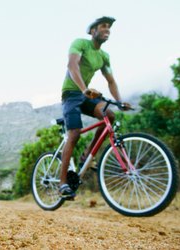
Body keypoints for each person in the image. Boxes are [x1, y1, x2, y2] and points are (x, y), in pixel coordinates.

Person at [59, 16, 131, 199]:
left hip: (86, 95)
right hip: (72, 93)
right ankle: (62, 183)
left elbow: (111, 81)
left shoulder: (104, 56)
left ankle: (87, 155)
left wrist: (120, 101)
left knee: (109, 115)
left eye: (109, 27)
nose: (107, 29)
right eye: (103, 26)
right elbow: (72, 65)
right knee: (74, 133)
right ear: (93, 31)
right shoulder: (80, 43)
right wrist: (84, 89)